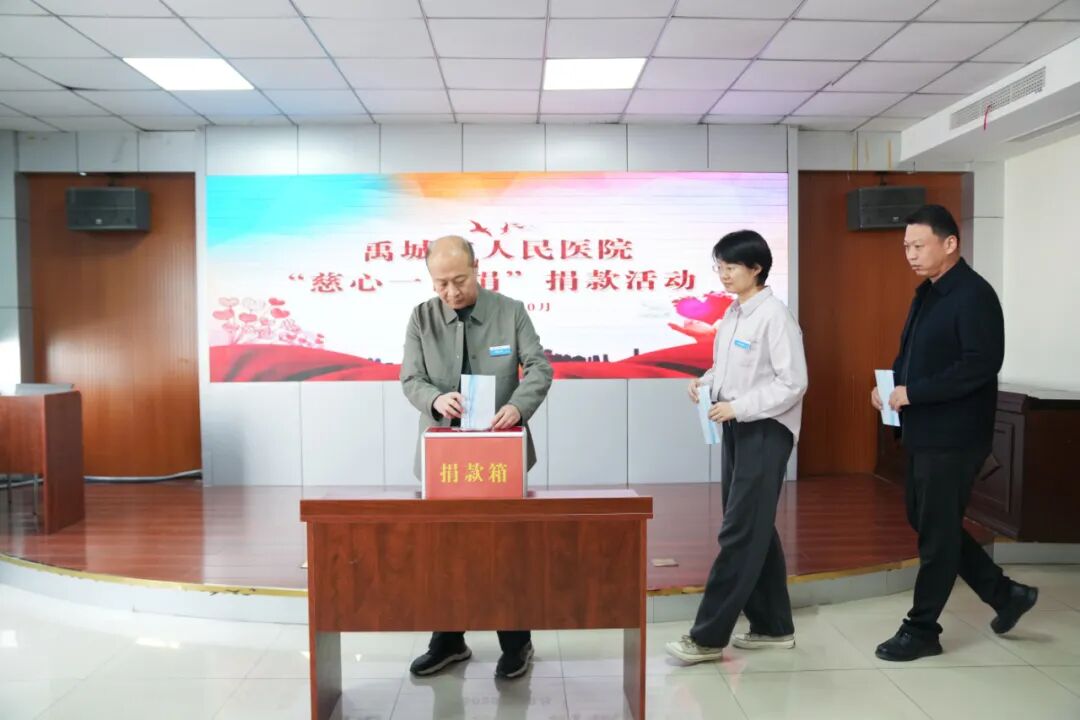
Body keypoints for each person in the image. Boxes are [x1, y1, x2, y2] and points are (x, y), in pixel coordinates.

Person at [871, 204, 1037, 661]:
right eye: (906, 246)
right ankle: (1005, 594)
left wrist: (915, 392)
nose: (910, 254)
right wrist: (888, 388)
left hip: (955, 435)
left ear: (950, 244)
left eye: (918, 245)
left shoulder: (973, 294)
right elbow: (910, 355)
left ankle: (922, 628)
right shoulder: (927, 292)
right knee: (926, 520)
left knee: (937, 533)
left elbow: (980, 365)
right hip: (924, 430)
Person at [399, 234, 554, 678]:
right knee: (445, 551)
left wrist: (518, 406)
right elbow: (411, 378)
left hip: (499, 453)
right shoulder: (421, 318)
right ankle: (448, 641)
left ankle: (517, 643)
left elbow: (539, 366)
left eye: (459, 281)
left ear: (477, 269)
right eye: (441, 284)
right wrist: (434, 399)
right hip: (443, 458)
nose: (451, 292)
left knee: (506, 550)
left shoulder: (510, 311)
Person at [666, 230, 808, 665]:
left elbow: (793, 383)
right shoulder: (733, 314)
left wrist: (738, 406)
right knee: (754, 525)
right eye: (719, 267)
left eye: (731, 267)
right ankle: (773, 626)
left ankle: (707, 637)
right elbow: (727, 369)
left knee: (740, 530)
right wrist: (706, 383)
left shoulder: (774, 317)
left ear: (757, 268)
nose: (723, 275)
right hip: (737, 427)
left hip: (765, 430)